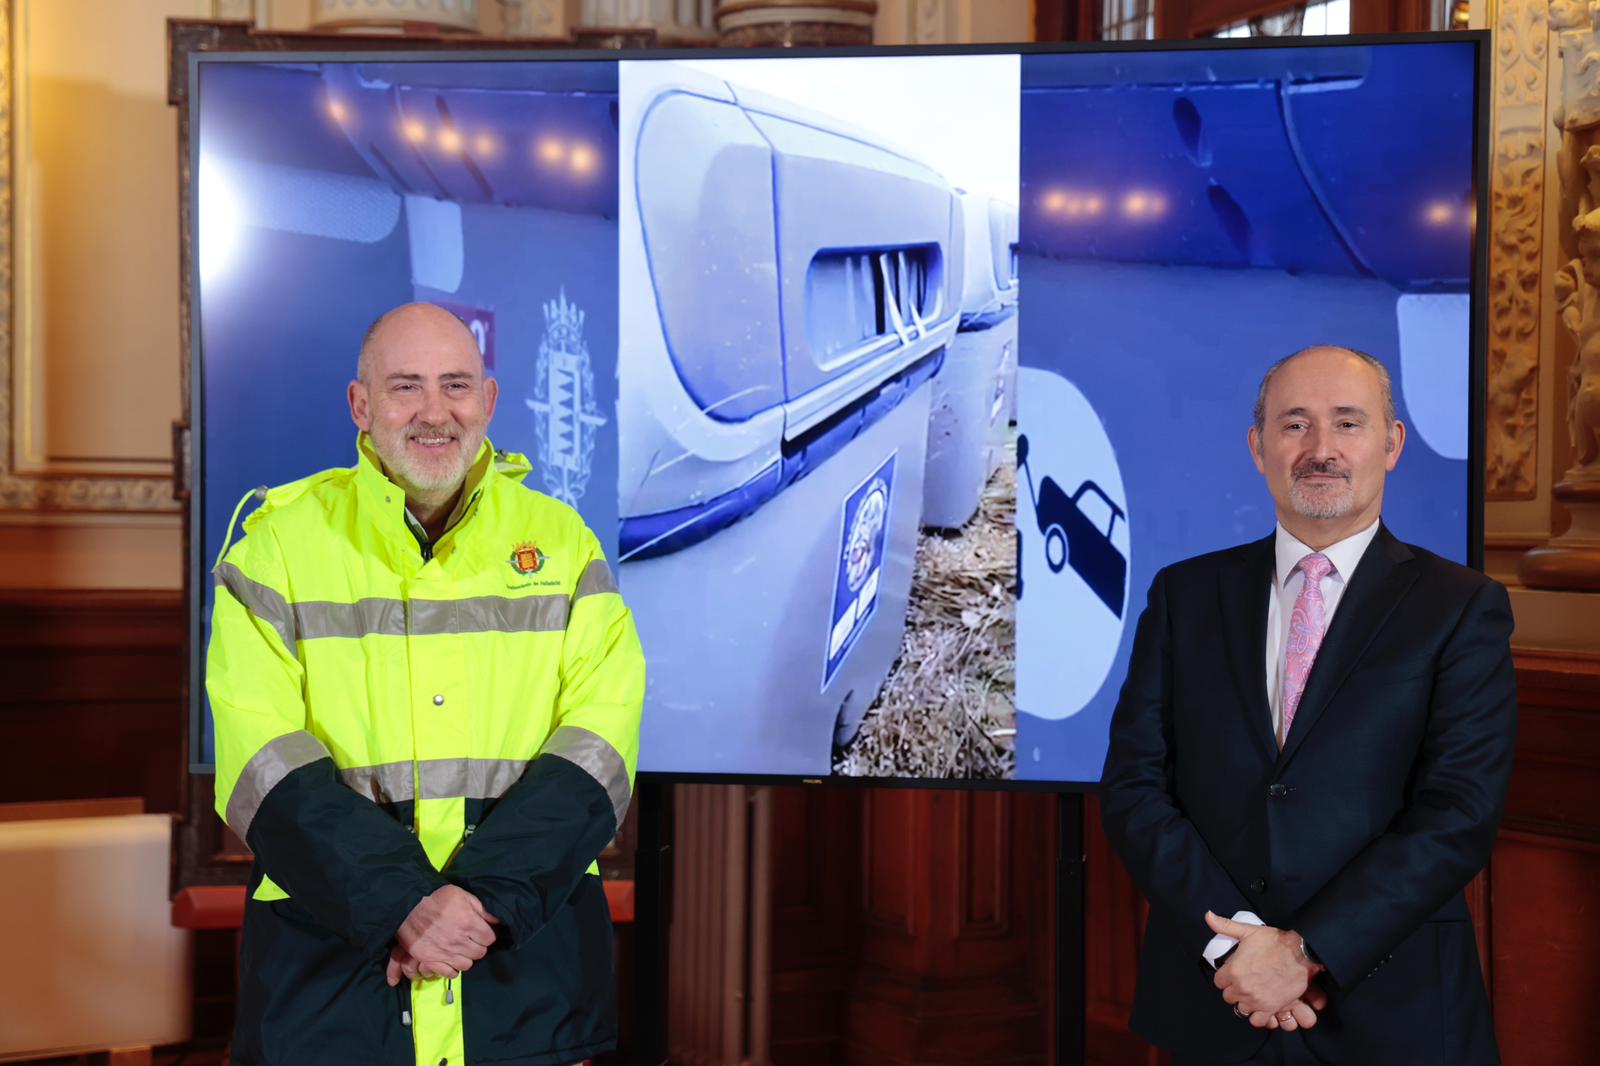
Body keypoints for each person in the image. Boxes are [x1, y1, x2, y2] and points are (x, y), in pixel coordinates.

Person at [207, 302, 645, 1066]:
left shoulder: (567, 547)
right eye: (406, 386)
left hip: (523, 987)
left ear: (489, 401)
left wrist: (479, 904)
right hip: (331, 998)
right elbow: (261, 763)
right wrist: (404, 906)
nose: (435, 412)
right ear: (361, 405)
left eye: (456, 386)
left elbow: (601, 745)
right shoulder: (273, 551)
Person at [1100, 345, 1516, 1065]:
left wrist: (1303, 953)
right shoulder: (1184, 596)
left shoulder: (1462, 607)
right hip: (1218, 1002)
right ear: (1258, 447)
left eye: (1347, 423)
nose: (1320, 449)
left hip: (1393, 1014)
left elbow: (1459, 813)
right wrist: (1237, 949)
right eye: (1294, 425)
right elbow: (1135, 789)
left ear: (1392, 445)